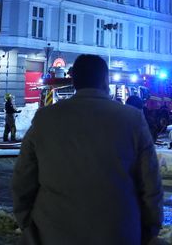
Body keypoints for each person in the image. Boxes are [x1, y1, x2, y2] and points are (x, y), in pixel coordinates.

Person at [12, 54, 163, 244]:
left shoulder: (45, 119)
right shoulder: (132, 119)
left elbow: (22, 181)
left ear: (74, 80)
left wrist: (29, 224)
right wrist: (148, 229)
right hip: (118, 232)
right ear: (105, 80)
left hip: (54, 232)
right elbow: (151, 184)